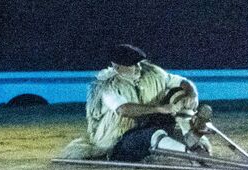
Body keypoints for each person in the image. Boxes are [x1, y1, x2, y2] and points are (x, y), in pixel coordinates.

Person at [60, 44, 209, 163]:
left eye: (138, 63)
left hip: (147, 124)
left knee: (178, 93)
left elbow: (181, 81)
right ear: (117, 67)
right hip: (120, 141)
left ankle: (190, 137)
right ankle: (191, 154)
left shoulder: (151, 72)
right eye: (132, 65)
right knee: (150, 134)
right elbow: (124, 109)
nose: (138, 67)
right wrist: (159, 108)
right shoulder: (107, 86)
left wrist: (192, 93)